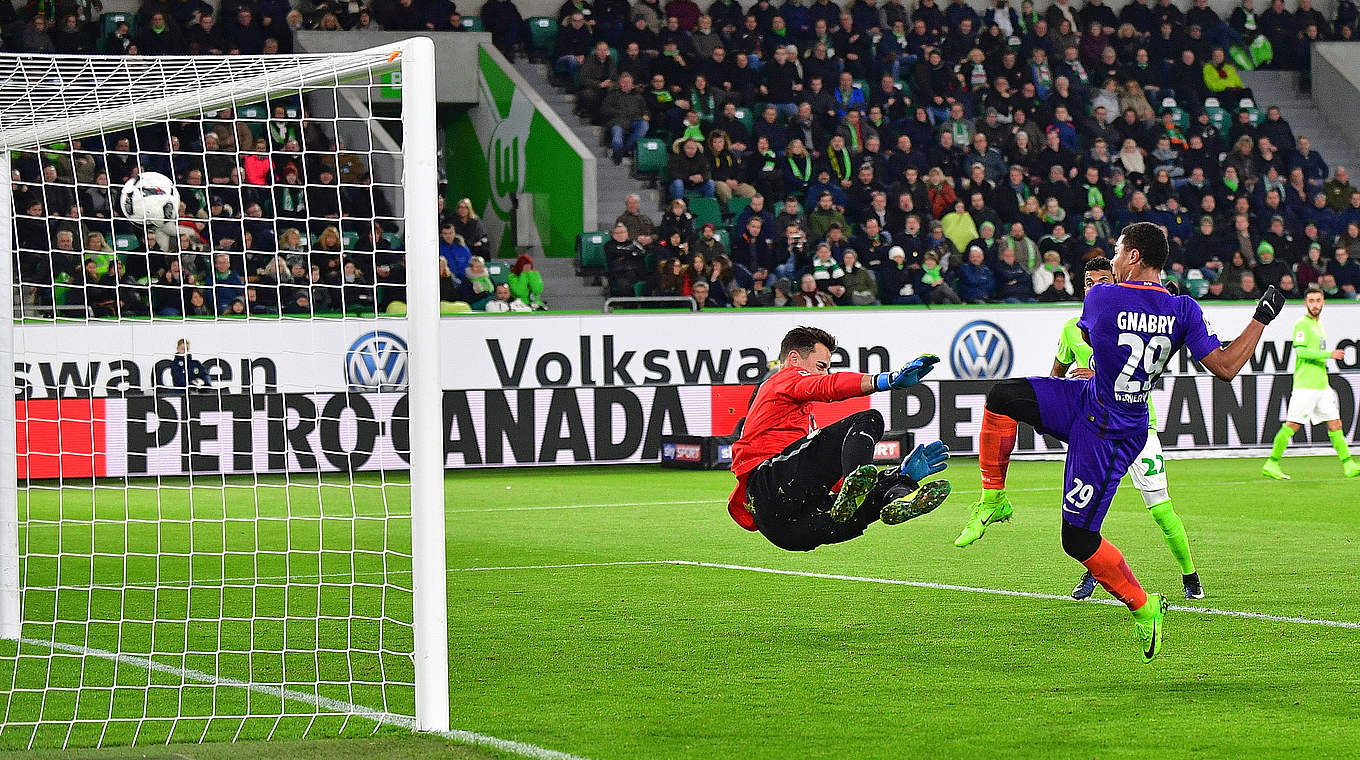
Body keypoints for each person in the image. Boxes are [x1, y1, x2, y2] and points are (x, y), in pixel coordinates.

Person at [954, 222, 1287, 662]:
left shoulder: (1102, 297)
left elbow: (1095, 338)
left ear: (1133, 256)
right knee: (1002, 397)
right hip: (1088, 399)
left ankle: (1143, 606)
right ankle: (993, 499)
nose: (1110, 260)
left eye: (1116, 251)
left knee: (1076, 540)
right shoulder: (1183, 309)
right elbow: (1225, 367)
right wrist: (1260, 318)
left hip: (1110, 431)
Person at [1055, 258, 1204, 602]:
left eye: (1102, 280)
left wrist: (1101, 379)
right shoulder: (1069, 329)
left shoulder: (1128, 322)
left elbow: (1140, 370)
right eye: (1088, 282)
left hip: (1138, 428)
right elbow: (1057, 376)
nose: (1094, 288)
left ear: (1118, 281)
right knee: (1087, 514)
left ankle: (1190, 574)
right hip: (1095, 432)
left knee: (1161, 509)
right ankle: (1094, 572)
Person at [727, 326, 951, 551]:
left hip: (784, 530)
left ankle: (899, 494)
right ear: (793, 359)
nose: (824, 374)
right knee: (869, 419)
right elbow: (827, 386)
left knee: (857, 505)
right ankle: (863, 483)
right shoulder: (782, 379)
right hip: (768, 486)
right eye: (821, 366)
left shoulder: (799, 423)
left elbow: (832, 482)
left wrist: (900, 476)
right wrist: (888, 380)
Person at [1262, 285, 1360, 479]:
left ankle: (1349, 465)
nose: (1315, 305)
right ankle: (1271, 463)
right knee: (1293, 425)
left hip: (1321, 385)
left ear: (1323, 302)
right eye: (1311, 301)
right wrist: (1329, 354)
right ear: (1305, 303)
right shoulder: (1302, 324)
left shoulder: (1319, 325)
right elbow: (1301, 352)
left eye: (1318, 300)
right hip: (1305, 385)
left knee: (1335, 424)